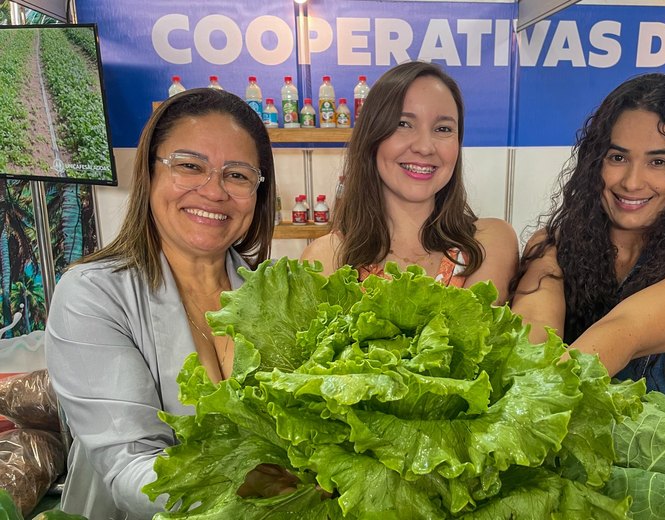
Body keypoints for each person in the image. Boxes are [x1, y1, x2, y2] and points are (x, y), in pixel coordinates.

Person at [45, 88, 278, 519]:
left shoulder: (271, 291)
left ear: (258, 192)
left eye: (238, 175)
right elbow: (131, 466)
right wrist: (271, 491)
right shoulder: (91, 295)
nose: (214, 192)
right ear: (149, 174)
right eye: (190, 166)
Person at [510, 73, 665, 413]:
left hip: (664, 465)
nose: (632, 182)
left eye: (659, 162)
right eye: (617, 158)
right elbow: (534, 324)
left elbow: (623, 333)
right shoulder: (552, 246)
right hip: (561, 460)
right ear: (595, 163)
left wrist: (522, 409)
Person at [301, 61, 518, 302]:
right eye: (403, 124)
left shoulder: (490, 242)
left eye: (443, 129)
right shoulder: (325, 257)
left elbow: (475, 332)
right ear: (371, 137)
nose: (425, 147)